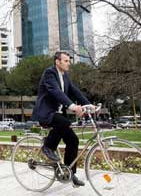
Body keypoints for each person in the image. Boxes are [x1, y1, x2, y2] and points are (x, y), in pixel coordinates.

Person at [31, 50, 95, 187]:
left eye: (69, 61)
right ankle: (47, 147)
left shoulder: (65, 76)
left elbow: (75, 91)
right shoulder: (49, 73)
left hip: (59, 115)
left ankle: (70, 173)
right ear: (57, 62)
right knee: (64, 123)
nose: (68, 64)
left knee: (73, 140)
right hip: (46, 113)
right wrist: (73, 106)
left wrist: (88, 105)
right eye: (66, 61)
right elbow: (56, 92)